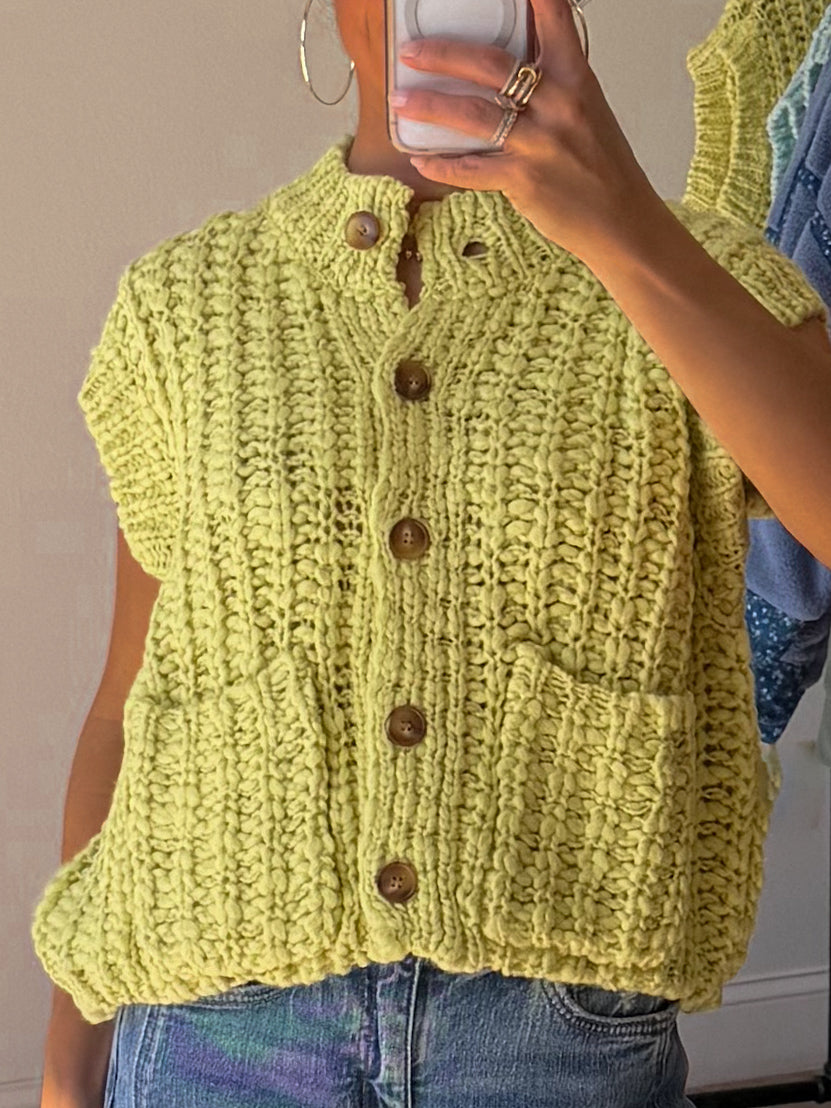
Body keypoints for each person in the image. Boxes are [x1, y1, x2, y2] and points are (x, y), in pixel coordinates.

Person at [33, 0, 831, 1105]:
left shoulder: (699, 273)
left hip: (556, 1038)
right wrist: (65, 1071)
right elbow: (129, 707)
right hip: (215, 1031)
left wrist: (623, 227)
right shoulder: (185, 309)